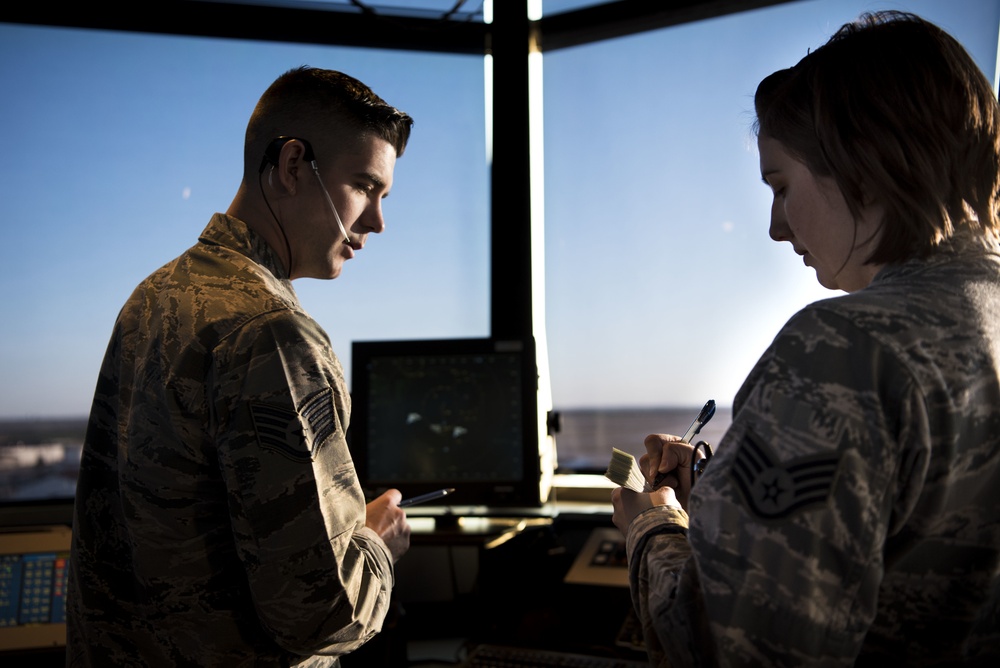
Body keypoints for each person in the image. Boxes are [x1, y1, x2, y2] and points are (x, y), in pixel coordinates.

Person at [611, 11, 1000, 666]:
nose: (775, 227)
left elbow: (727, 647)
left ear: (863, 166)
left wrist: (652, 524)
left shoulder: (843, 350)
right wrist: (720, 499)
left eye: (781, 186)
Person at [66, 66, 415, 667]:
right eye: (364, 187)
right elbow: (322, 613)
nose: (377, 222)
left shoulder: (153, 295)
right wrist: (375, 543)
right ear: (291, 165)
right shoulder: (272, 334)